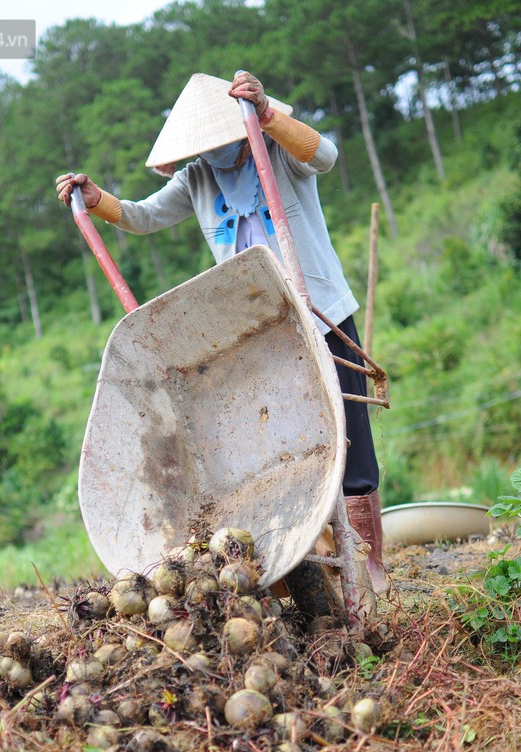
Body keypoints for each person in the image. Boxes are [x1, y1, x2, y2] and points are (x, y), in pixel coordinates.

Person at [56, 71, 386, 592]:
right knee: (288, 440)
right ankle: (304, 561)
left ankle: (367, 564)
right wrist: (96, 199)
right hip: (261, 333)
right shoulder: (197, 179)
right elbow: (142, 218)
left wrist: (269, 115)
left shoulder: (277, 151)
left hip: (320, 312)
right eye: (204, 147)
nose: (215, 152)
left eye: (221, 141)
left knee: (352, 441)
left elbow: (325, 156)